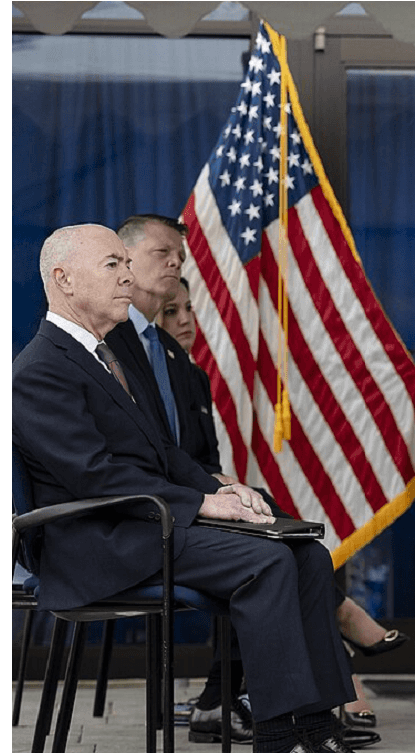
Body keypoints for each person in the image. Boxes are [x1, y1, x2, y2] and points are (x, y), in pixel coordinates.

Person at [13, 224, 356, 752]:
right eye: (112, 265)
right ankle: (275, 732)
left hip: (143, 523)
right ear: (63, 278)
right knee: (266, 563)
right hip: (96, 541)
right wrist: (201, 505)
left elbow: (165, 454)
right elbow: (94, 474)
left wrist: (225, 490)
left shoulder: (107, 355)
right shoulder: (38, 370)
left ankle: (312, 722)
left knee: (307, 555)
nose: (129, 275)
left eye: (127, 263)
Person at [157, 272, 403, 737]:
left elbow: (197, 459)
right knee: (265, 553)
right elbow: (139, 465)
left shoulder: (190, 373)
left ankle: (285, 712)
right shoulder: (133, 368)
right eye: (172, 311)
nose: (186, 320)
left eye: (189, 309)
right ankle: (332, 649)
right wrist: (210, 493)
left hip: (191, 500)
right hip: (162, 516)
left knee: (296, 548)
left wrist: (220, 485)